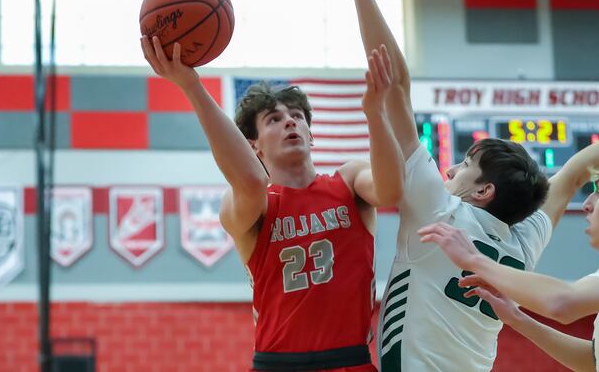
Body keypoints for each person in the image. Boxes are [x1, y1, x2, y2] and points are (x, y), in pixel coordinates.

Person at [339, 0, 599, 369]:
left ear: (483, 192)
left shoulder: (438, 214)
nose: (447, 173)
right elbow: (573, 173)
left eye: (463, 166)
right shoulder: (522, 243)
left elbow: (396, 84)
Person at [141, 35, 405, 371]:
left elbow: (392, 190)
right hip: (277, 363)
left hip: (348, 360)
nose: (290, 121)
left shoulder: (349, 180)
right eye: (273, 120)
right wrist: (192, 87)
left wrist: (375, 114)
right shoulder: (251, 205)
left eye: (296, 116)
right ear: (254, 146)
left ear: (311, 134)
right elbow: (251, 180)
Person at [420, 150, 599, 372]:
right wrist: (517, 318)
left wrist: (475, 260)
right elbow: (596, 361)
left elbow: (563, 303)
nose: (587, 204)